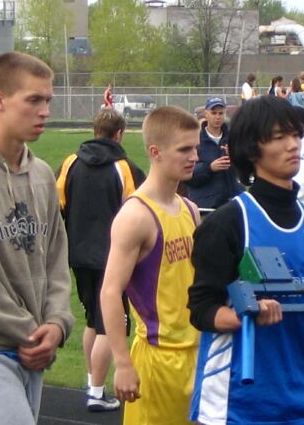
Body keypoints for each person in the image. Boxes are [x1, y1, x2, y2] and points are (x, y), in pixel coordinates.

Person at [189, 95, 304, 424]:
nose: (293, 145)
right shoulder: (228, 222)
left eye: (295, 134)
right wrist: (248, 314)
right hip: (236, 404)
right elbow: (201, 309)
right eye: (279, 137)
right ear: (252, 149)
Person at [0, 51, 74, 424]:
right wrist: (28, 329)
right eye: (34, 100)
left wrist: (57, 324)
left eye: (48, 100)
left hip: (32, 350)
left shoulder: (42, 176)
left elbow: (56, 259)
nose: (45, 111)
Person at [100, 106, 201, 425]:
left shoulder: (190, 209)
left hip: (196, 354)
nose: (195, 157)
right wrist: (122, 363)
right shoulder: (136, 216)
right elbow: (110, 292)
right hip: (157, 359)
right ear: (155, 152)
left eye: (196, 147)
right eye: (184, 149)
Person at [56, 108, 146, 412]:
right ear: (119, 134)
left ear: (95, 131)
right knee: (112, 324)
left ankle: (92, 381)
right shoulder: (124, 168)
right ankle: (96, 391)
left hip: (78, 255)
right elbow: (138, 209)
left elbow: (57, 205)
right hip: (113, 258)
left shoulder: (70, 163)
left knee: (94, 321)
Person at [184, 97, 243, 210]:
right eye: (213, 113)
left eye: (221, 113)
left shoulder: (234, 138)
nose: (217, 117)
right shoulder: (195, 139)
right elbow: (187, 175)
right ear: (206, 114)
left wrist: (235, 156)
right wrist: (210, 168)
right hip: (205, 204)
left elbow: (246, 169)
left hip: (232, 202)